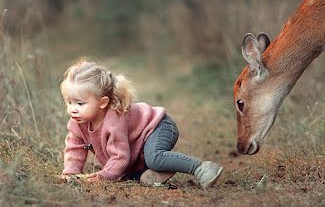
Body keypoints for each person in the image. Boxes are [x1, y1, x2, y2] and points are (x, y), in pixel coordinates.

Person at [58, 58, 223, 189]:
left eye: (80, 103)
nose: (73, 109)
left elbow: (120, 157)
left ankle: (202, 168)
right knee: (124, 174)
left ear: (102, 103)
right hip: (139, 141)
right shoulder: (76, 124)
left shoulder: (113, 120)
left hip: (158, 126)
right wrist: (71, 173)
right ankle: (150, 175)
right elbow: (74, 148)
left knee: (154, 158)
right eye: (69, 102)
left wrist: (103, 176)